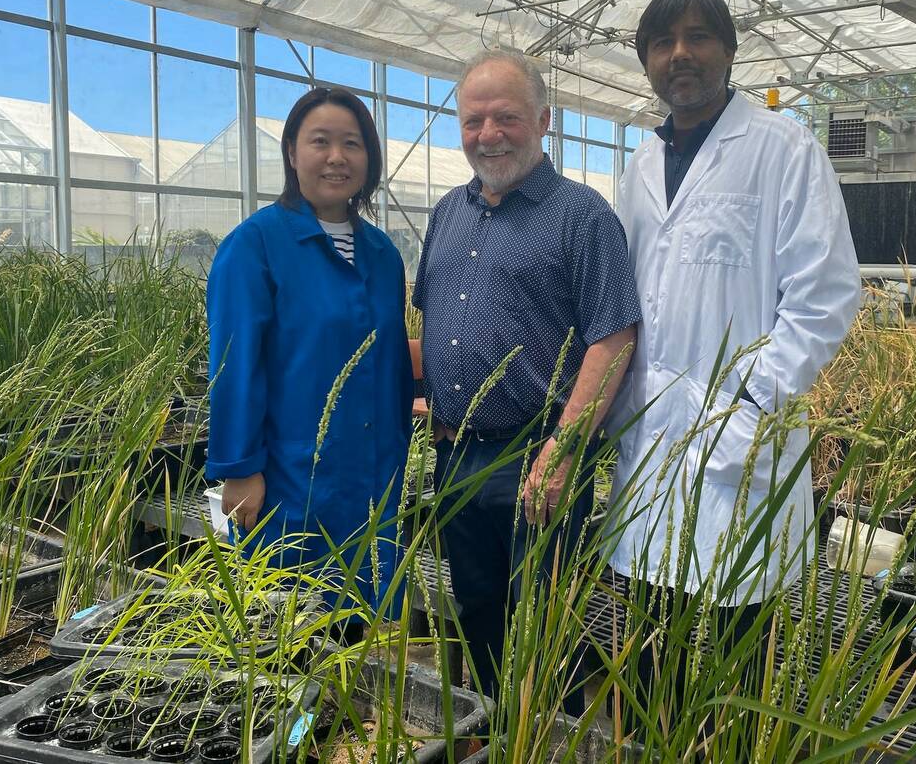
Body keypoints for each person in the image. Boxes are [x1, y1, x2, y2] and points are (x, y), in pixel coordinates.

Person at [605, 0, 861, 707]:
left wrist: (750, 404)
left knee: (739, 664)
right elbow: (627, 297)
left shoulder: (783, 147)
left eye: (697, 37)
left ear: (729, 50)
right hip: (650, 447)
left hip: (738, 447)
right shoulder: (641, 163)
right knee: (653, 653)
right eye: (662, 43)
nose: (680, 54)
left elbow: (826, 294)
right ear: (647, 63)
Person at [413, 49, 641, 709]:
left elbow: (614, 336)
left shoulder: (582, 217)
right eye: (472, 121)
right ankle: (488, 725)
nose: (488, 135)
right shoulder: (447, 215)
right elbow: (435, 326)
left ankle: (547, 736)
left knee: (545, 616)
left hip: (535, 456)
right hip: (454, 453)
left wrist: (564, 448)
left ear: (544, 121)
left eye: (505, 117)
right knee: (478, 606)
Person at [205, 86, 413, 626]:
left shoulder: (381, 254)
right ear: (292, 152)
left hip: (372, 475)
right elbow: (233, 366)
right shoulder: (255, 246)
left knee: (364, 638)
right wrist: (240, 469)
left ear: (369, 159)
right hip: (290, 480)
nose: (337, 157)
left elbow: (389, 362)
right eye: (320, 141)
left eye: (352, 143)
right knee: (288, 636)